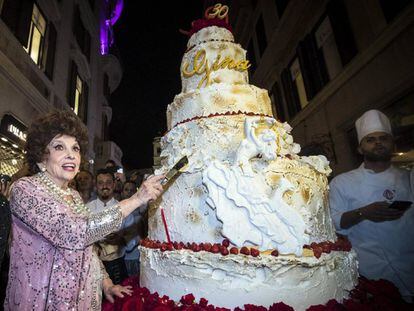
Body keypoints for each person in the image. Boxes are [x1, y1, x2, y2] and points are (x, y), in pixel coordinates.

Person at [4, 110, 164, 310]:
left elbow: (87, 247)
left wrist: (106, 284)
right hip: (41, 301)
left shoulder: (74, 196)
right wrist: (137, 199)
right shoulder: (25, 189)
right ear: (41, 157)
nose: (71, 154)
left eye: (76, 148)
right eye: (59, 147)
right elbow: (73, 232)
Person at [329, 109, 414, 302]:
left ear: (392, 144)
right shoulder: (343, 182)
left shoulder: (408, 177)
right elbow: (332, 222)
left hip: (410, 265)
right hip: (372, 275)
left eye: (383, 138)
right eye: (370, 139)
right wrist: (363, 213)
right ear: (360, 149)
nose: (378, 142)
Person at [86, 169, 133, 284]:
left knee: (119, 301)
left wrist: (121, 240)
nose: (104, 186)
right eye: (101, 183)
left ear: (114, 184)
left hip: (117, 264)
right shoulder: (86, 209)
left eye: (108, 182)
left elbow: (133, 237)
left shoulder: (124, 208)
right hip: (93, 265)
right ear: (96, 185)